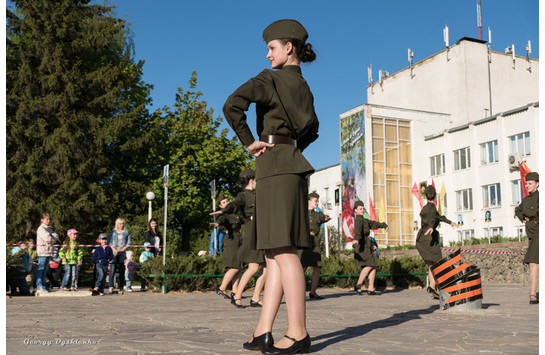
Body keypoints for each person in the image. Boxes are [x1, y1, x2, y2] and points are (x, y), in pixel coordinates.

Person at [223, 19, 319, 354]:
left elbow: (232, 104)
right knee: (273, 252)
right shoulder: (303, 86)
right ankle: (263, 331)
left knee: (283, 251)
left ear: (288, 47)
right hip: (288, 164)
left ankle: (298, 332)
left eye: (271, 47)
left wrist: (250, 141)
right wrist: (290, 152)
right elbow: (313, 129)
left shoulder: (270, 79)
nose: (267, 55)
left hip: (273, 166)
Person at [232, 169, 267, 308]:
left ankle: (256, 298)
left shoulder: (258, 194)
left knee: (266, 268)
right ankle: (237, 295)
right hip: (251, 229)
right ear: (251, 179)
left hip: (261, 230)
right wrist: (225, 210)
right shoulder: (242, 195)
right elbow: (235, 205)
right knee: (253, 267)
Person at [416, 185, 459, 299]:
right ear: (435, 197)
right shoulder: (432, 208)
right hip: (429, 237)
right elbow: (434, 218)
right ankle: (435, 286)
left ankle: (432, 287)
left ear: (425, 196)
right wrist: (431, 226)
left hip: (421, 237)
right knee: (438, 264)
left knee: (432, 264)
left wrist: (450, 222)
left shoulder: (425, 208)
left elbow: (437, 217)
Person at [210, 194, 243, 299]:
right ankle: (222, 288)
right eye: (224, 202)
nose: (227, 203)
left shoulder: (235, 213)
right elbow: (221, 220)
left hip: (238, 238)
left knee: (239, 267)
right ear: (220, 206)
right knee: (234, 267)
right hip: (231, 239)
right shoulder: (224, 216)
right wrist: (218, 224)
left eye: (227, 201)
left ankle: (235, 290)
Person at [298, 192, 330, 299]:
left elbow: (324, 217)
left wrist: (326, 218)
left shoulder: (318, 214)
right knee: (302, 267)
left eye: (317, 200)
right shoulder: (302, 213)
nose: (317, 203)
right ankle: (298, 292)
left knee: (317, 266)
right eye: (315, 201)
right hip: (304, 241)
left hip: (315, 241)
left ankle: (313, 292)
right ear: (309, 201)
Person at [352, 201, 388, 295]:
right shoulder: (359, 220)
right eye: (360, 209)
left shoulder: (364, 219)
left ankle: (371, 288)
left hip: (367, 245)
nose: (362, 210)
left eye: (363, 208)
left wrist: (383, 225)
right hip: (362, 245)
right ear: (355, 210)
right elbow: (358, 231)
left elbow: (373, 224)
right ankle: (358, 285)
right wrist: (356, 240)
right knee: (369, 265)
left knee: (374, 264)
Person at [515, 171, 539, 304]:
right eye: (526, 184)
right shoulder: (526, 199)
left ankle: (532, 293)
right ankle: (533, 293)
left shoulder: (539, 197)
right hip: (530, 231)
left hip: (539, 231)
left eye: (530, 183)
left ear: (537, 184)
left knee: (533, 262)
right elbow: (518, 210)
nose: (527, 186)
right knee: (534, 261)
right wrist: (523, 218)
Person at [36, 212, 60, 294]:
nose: (48, 221)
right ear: (42, 220)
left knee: (45, 270)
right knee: (41, 269)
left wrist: (52, 237)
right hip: (43, 251)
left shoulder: (48, 229)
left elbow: (56, 236)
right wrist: (52, 238)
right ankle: (39, 285)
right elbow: (48, 239)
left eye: (49, 219)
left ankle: (43, 285)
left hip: (48, 251)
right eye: (47, 219)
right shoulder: (41, 229)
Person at [107, 218, 131, 293]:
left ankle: (121, 286)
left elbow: (128, 243)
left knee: (121, 271)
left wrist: (122, 250)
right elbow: (109, 242)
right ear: (117, 224)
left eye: (123, 223)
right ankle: (111, 286)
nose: (121, 225)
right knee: (112, 270)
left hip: (122, 253)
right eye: (120, 224)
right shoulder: (113, 232)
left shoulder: (127, 232)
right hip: (113, 253)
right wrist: (115, 250)